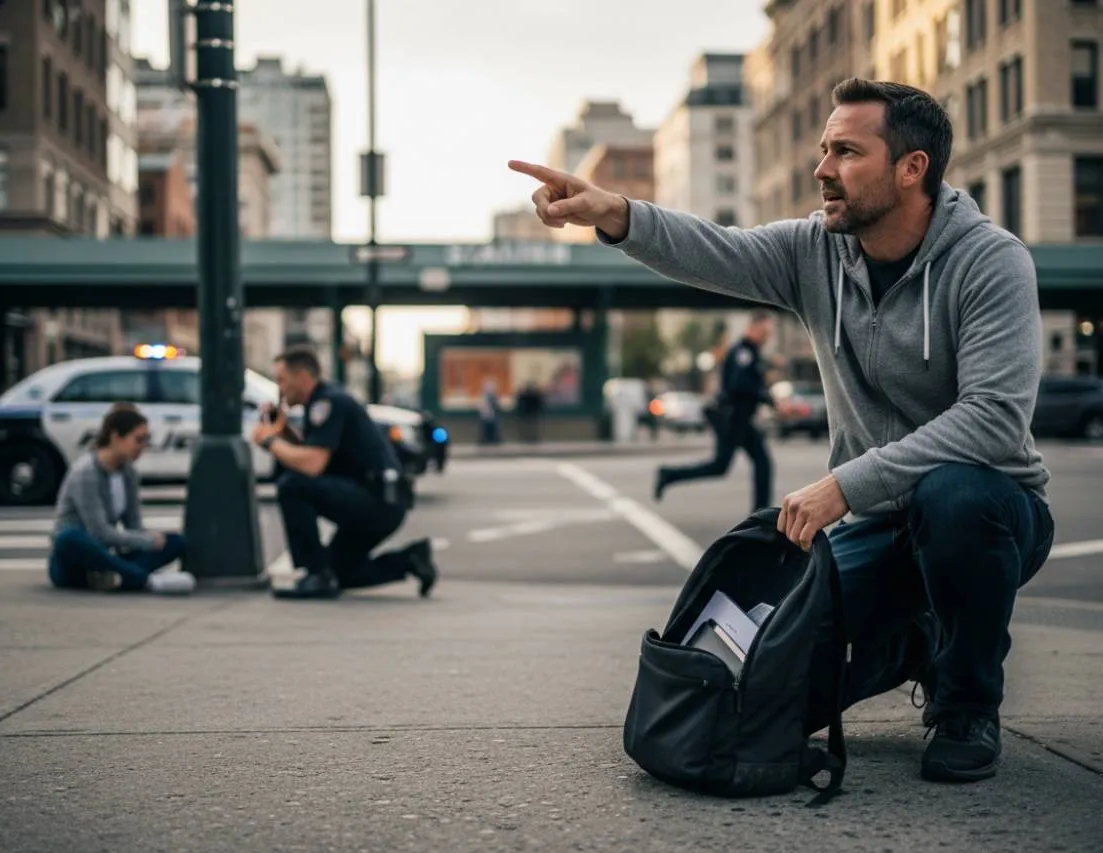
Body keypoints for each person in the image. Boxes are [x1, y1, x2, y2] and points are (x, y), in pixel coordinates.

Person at [509, 78, 1055, 784]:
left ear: (911, 167)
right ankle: (914, 643)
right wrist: (615, 213)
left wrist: (844, 486)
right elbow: (715, 249)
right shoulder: (815, 250)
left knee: (952, 496)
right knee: (755, 692)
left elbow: (993, 418)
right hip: (878, 527)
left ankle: (966, 704)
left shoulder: (990, 260)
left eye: (846, 152)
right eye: (824, 149)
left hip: (989, 514)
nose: (822, 168)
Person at [250, 347, 438, 600]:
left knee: (291, 486)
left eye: (282, 379)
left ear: (302, 377)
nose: (279, 388)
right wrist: (282, 433)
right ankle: (411, 560)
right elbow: (313, 454)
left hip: (376, 500)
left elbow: (312, 465)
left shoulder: (327, 403)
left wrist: (270, 442)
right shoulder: (323, 401)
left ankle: (316, 576)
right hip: (382, 499)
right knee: (340, 573)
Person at [50, 404, 192, 593]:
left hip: (109, 555)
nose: (143, 446)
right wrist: (147, 541)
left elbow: (133, 525)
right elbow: (98, 532)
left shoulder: (128, 473)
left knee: (174, 541)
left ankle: (117, 575)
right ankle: (139, 578)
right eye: (138, 440)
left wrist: (150, 537)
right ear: (115, 436)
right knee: (68, 537)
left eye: (146, 440)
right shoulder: (86, 472)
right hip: (79, 557)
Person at [654, 310, 776, 513]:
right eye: (764, 332)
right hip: (733, 419)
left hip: (741, 420)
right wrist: (767, 398)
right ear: (752, 328)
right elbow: (740, 385)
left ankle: (760, 513)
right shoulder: (743, 352)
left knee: (761, 464)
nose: (766, 337)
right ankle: (668, 474)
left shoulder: (749, 351)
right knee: (721, 466)